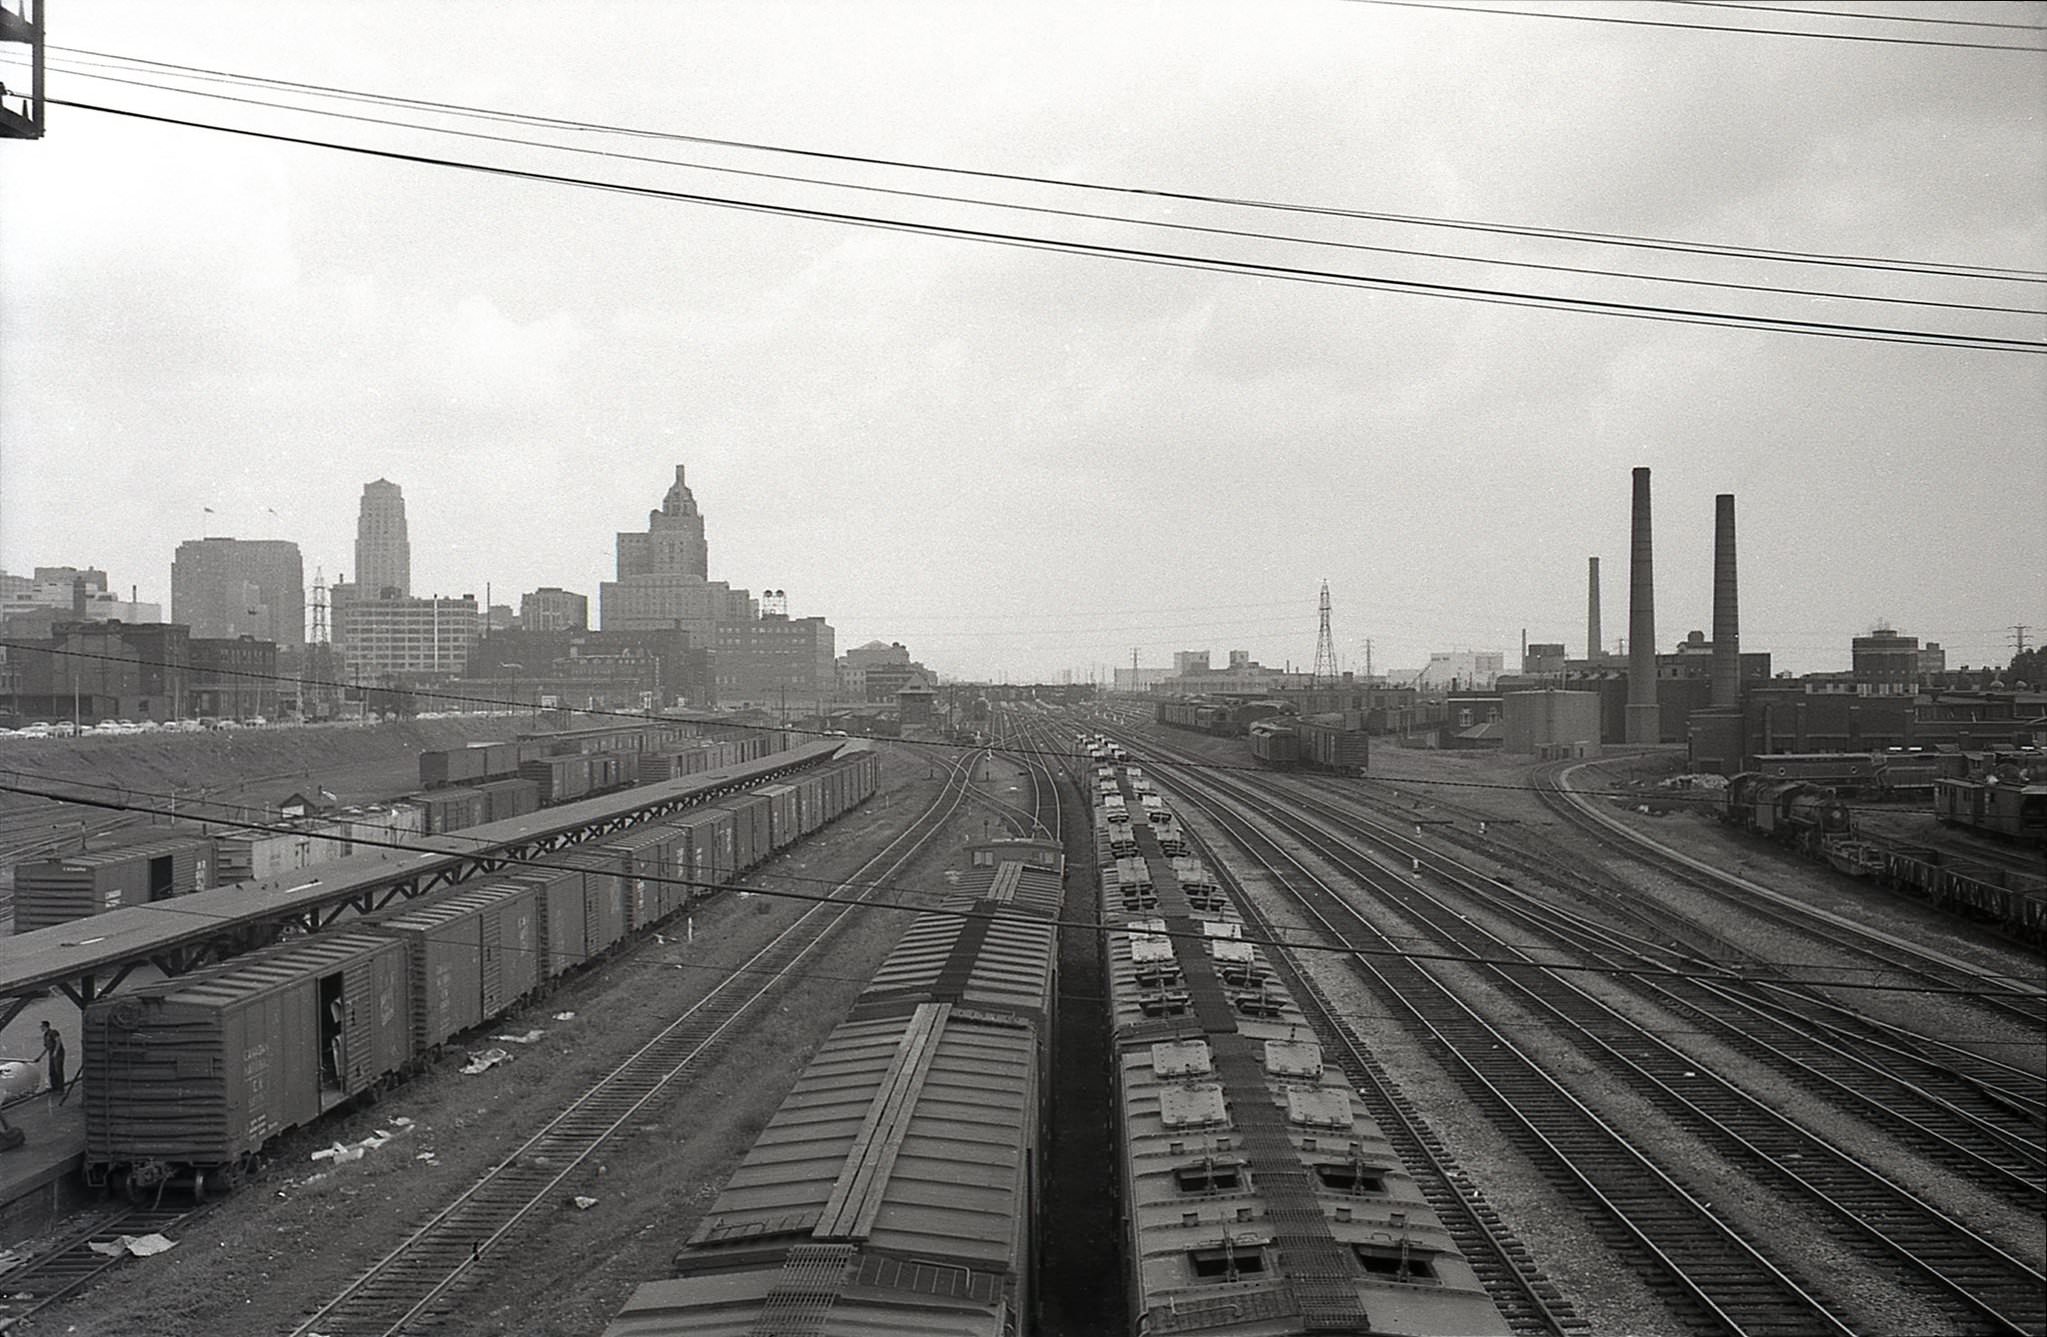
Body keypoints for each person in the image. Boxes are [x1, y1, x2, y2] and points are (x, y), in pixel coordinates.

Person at [40, 1020, 66, 1105]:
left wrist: (55, 1052)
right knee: (52, 1071)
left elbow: (58, 1041)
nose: (41, 1028)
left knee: (58, 1070)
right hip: (52, 1054)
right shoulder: (45, 1035)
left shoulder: (53, 1032)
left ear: (45, 1026)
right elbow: (47, 1047)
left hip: (58, 1054)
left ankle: (61, 1089)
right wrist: (40, 1056)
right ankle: (54, 1087)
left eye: (41, 1026)